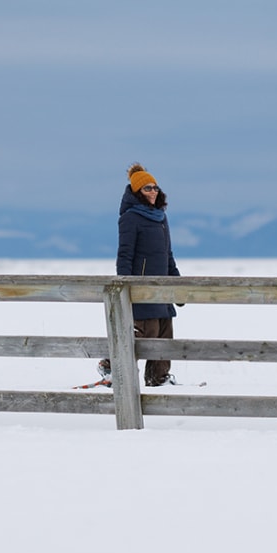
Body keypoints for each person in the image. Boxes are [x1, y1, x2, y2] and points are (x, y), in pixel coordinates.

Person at [98, 164, 181, 388]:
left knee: (164, 337)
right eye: (147, 189)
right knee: (143, 335)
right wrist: (125, 288)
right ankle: (111, 367)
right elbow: (125, 255)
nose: (153, 192)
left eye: (155, 187)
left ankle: (159, 379)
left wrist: (178, 285)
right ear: (137, 193)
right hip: (141, 291)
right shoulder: (130, 218)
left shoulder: (161, 217)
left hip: (162, 291)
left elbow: (167, 256)